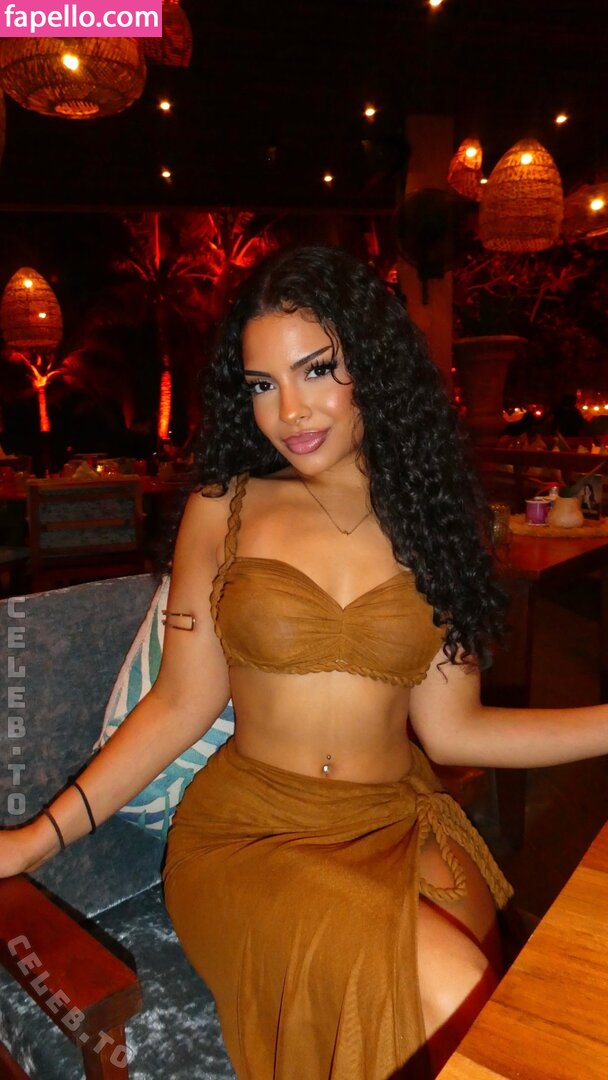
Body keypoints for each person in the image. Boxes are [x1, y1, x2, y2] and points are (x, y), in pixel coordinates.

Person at [2, 247, 607, 1080]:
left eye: (317, 369)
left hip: (392, 821)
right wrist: (35, 840)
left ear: (373, 365)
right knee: (449, 980)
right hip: (249, 837)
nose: (289, 411)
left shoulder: (437, 521)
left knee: (504, 1010)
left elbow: (453, 730)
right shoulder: (224, 509)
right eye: (262, 384)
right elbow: (178, 705)